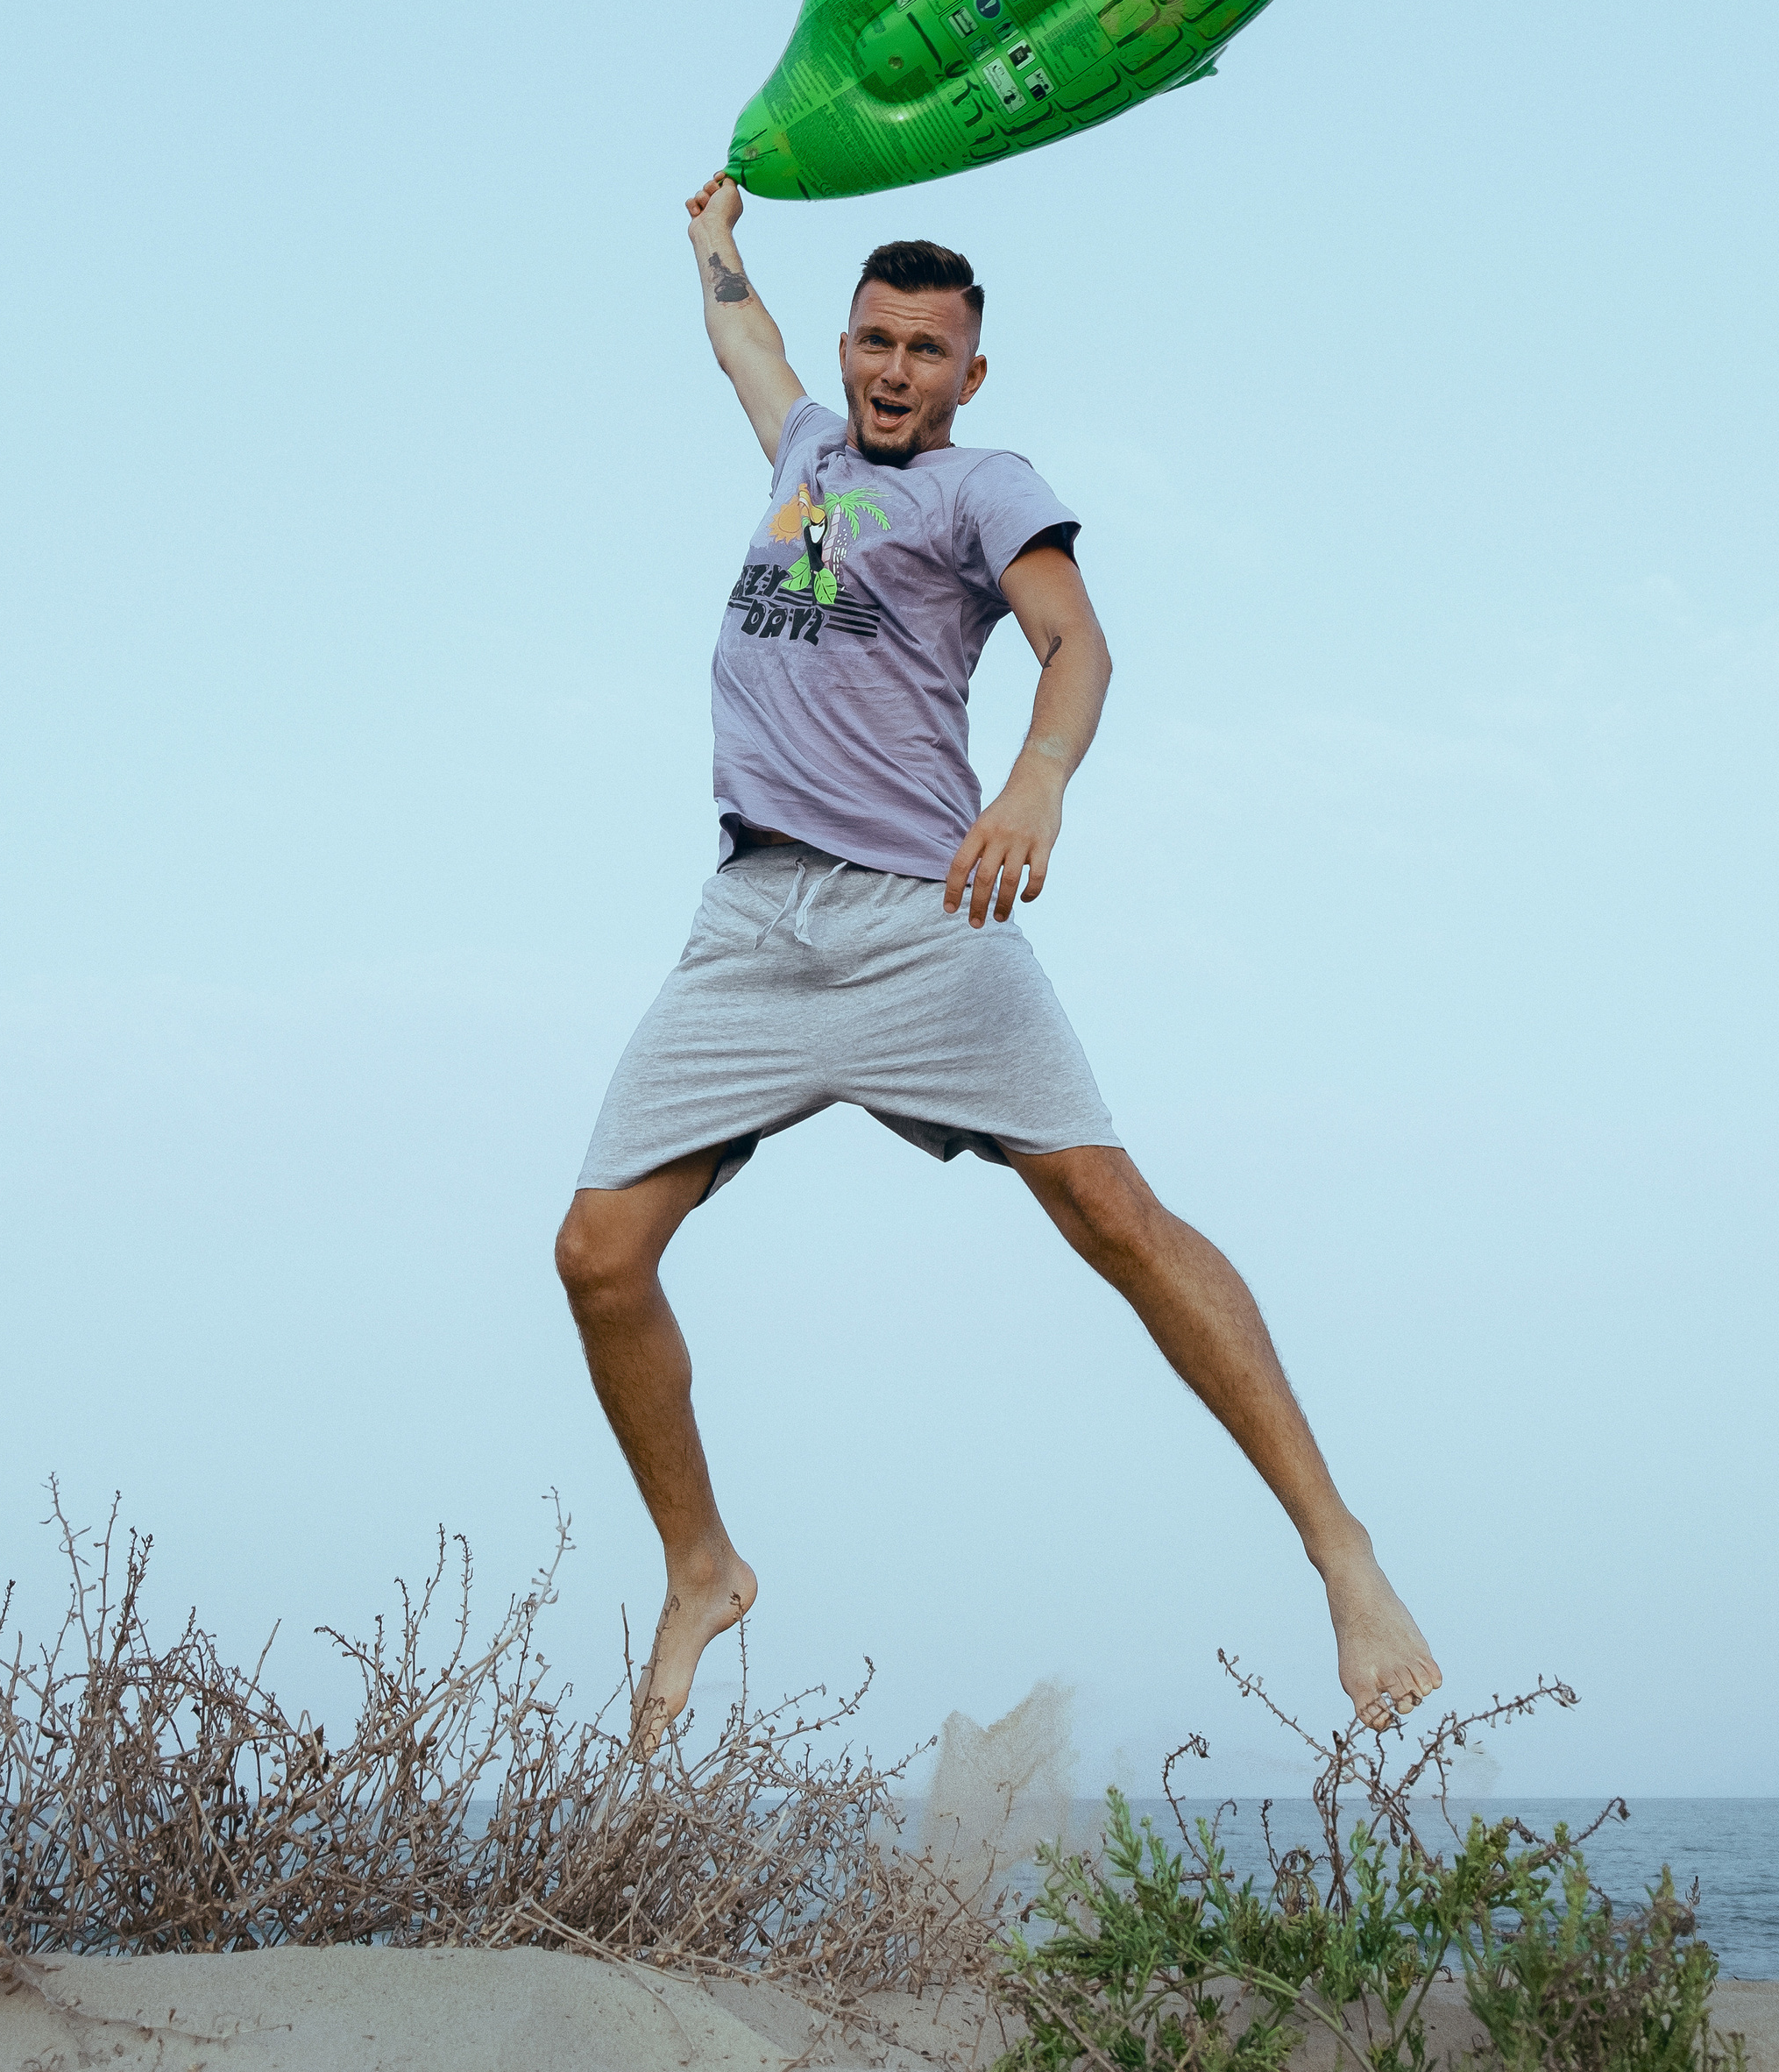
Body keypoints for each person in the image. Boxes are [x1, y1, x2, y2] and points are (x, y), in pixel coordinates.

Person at [555, 173, 1440, 1748]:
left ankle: (1340, 1548)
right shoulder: (809, 446)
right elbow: (738, 345)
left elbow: (1079, 642)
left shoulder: (983, 486)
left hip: (920, 917)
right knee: (597, 1257)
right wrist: (712, 243)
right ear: (850, 348)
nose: (895, 372)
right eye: (877, 342)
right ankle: (704, 1566)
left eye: (928, 352)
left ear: (972, 374)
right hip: (750, 923)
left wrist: (1034, 780)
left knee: (1112, 1212)